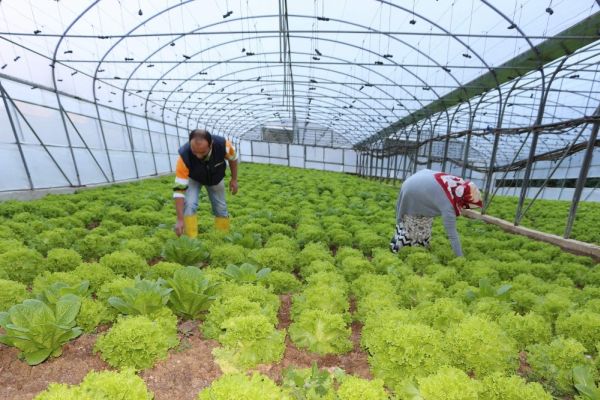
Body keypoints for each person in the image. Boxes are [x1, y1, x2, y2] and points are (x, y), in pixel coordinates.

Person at [390, 169, 483, 256]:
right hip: (413, 190)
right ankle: (399, 248)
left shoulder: (456, 184)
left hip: (417, 180)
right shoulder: (448, 205)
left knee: (423, 225)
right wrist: (460, 257)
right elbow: (452, 235)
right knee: (412, 227)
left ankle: (417, 247)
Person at [173, 129, 238, 238]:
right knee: (189, 204)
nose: (198, 156)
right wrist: (179, 219)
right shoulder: (184, 156)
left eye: (203, 152)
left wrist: (234, 179)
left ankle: (222, 236)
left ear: (211, 144)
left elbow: (233, 159)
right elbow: (179, 190)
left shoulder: (224, 145)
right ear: (190, 144)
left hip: (215, 177)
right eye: (194, 152)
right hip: (193, 178)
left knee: (220, 207)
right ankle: (190, 240)